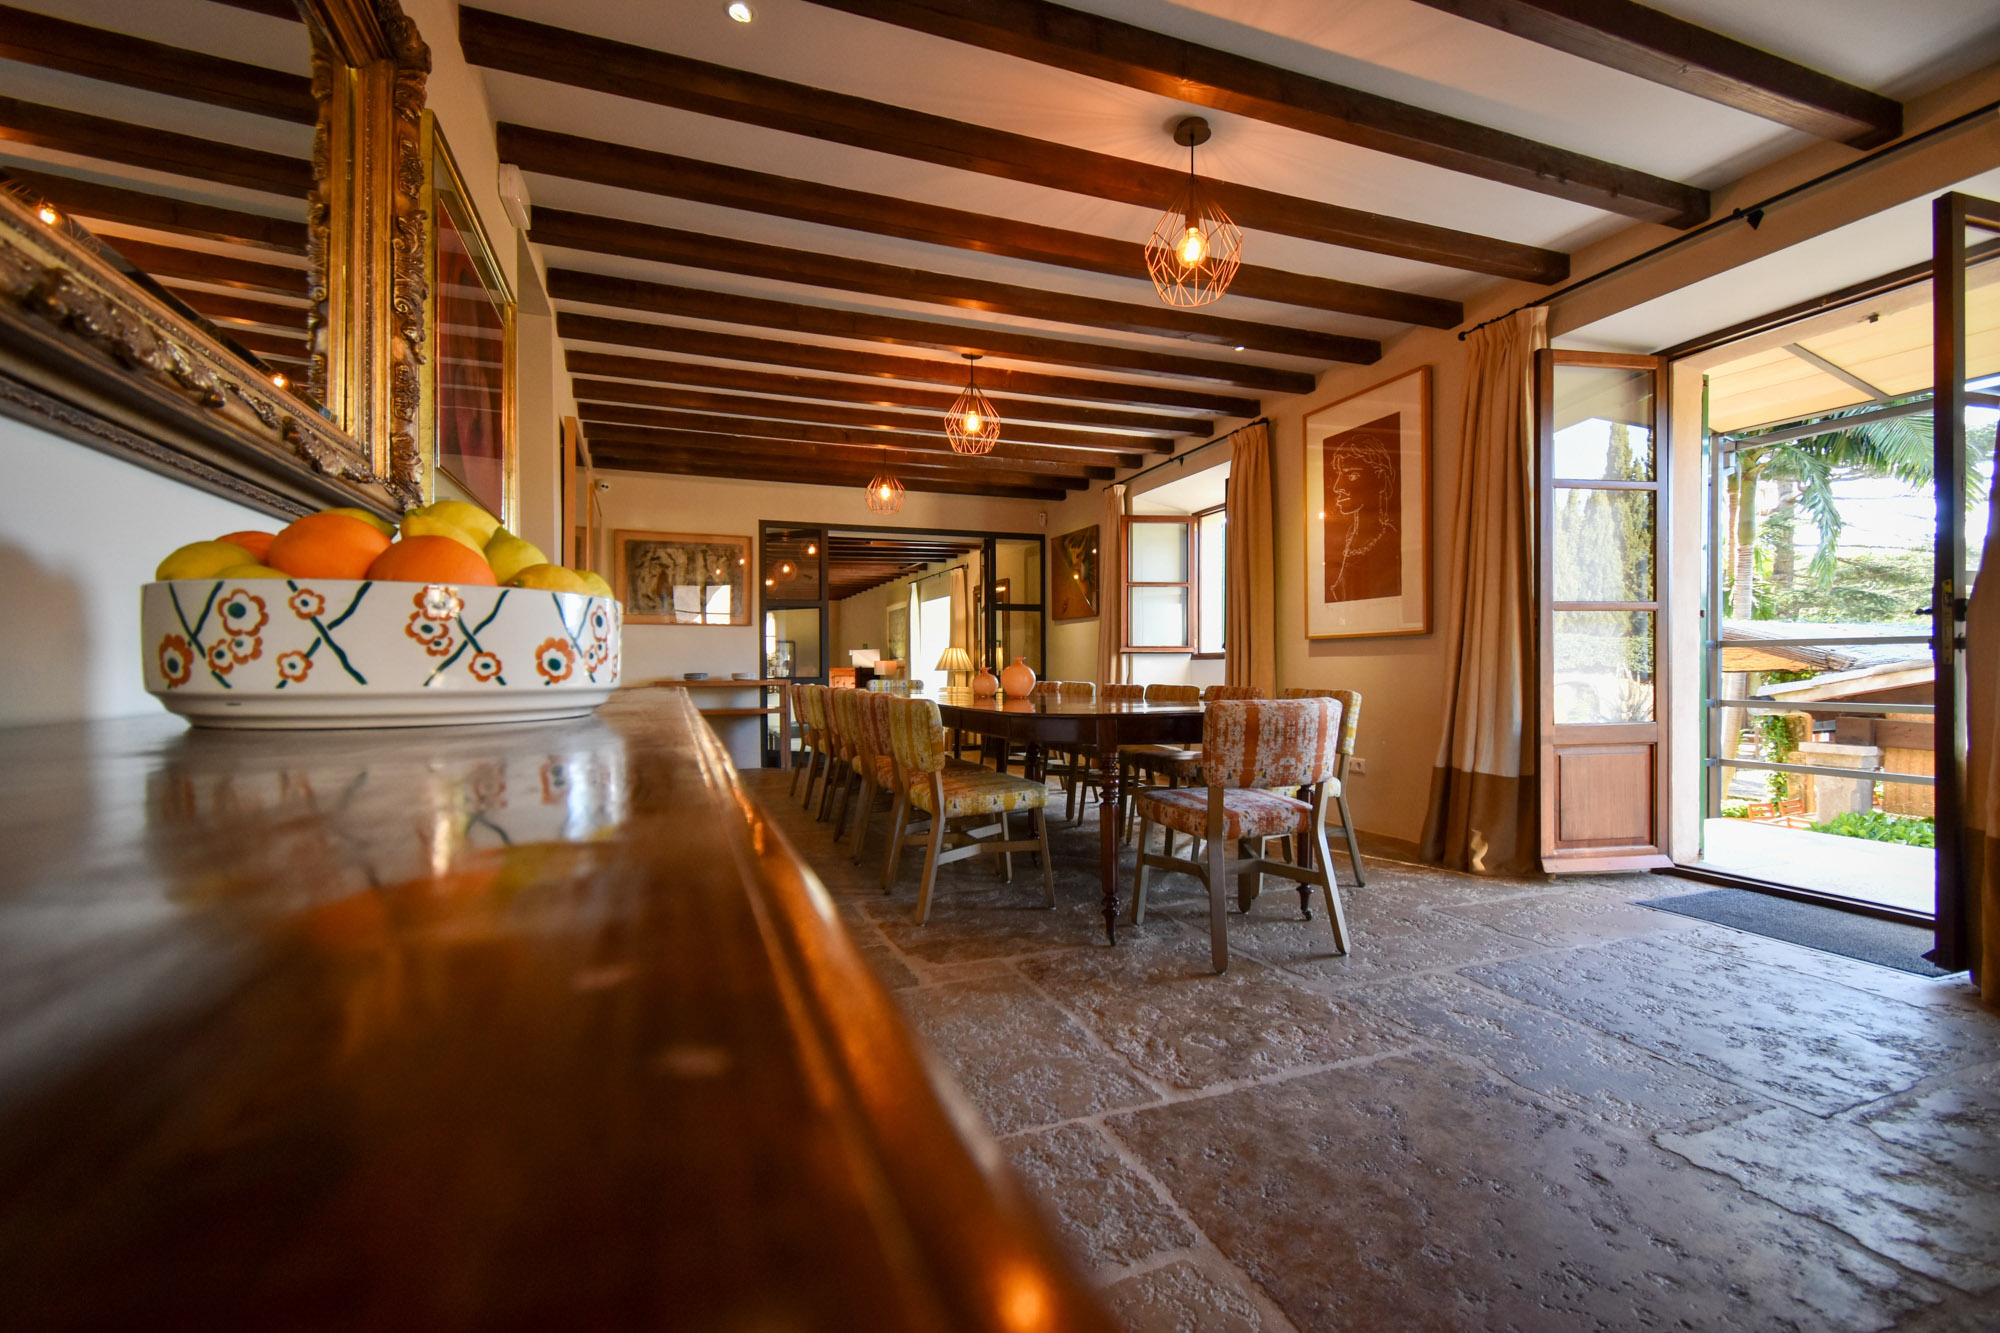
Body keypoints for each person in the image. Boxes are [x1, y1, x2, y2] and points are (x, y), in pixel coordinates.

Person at [1324, 415, 1402, 604]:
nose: (1338, 487)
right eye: (1339, 475)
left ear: (1380, 478)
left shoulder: (1389, 546)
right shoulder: (1348, 539)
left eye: (1351, 475)